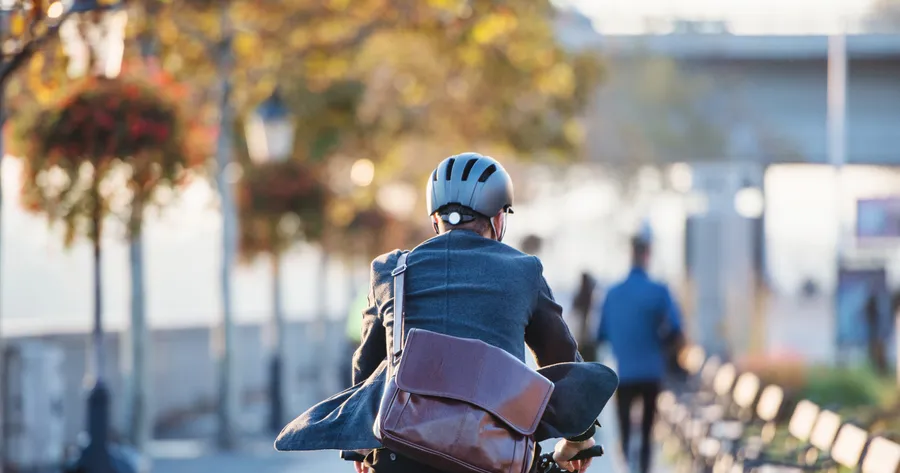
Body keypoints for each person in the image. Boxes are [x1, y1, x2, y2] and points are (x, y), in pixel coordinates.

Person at [275, 153, 618, 473]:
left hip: (401, 450)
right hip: (495, 450)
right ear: (499, 219)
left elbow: (366, 369)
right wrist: (579, 437)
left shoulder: (392, 269)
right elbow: (561, 360)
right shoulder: (523, 271)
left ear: (436, 220)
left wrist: (361, 449)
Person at [597, 235, 683, 473]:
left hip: (622, 372)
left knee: (624, 429)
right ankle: (644, 468)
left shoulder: (612, 294)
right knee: (646, 432)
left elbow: (601, 333)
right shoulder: (659, 291)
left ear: (630, 254)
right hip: (651, 371)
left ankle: (625, 465)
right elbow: (676, 329)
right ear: (648, 255)